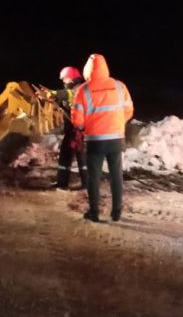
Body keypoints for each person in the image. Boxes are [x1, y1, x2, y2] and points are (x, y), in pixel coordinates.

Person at [71, 54, 133, 222]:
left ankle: (94, 213)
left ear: (87, 70)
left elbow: (77, 119)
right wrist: (117, 123)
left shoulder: (83, 90)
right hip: (115, 138)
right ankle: (117, 212)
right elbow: (128, 111)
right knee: (116, 175)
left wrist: (83, 127)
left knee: (94, 177)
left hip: (95, 140)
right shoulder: (119, 86)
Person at [52, 66, 87, 190]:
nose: (63, 81)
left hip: (81, 131)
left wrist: (55, 94)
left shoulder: (80, 89)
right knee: (65, 155)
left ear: (72, 78)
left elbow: (70, 95)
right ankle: (62, 183)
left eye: (65, 78)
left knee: (82, 157)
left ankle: (87, 185)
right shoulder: (70, 90)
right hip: (71, 130)